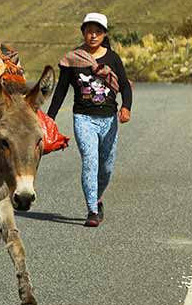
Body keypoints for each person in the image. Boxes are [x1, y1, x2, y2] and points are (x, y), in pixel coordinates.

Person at [46, 12, 131, 228]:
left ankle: (98, 197)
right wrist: (50, 118)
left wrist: (126, 107)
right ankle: (92, 210)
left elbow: (125, 85)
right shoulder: (72, 59)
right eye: (89, 31)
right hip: (83, 118)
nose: (92, 35)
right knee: (90, 162)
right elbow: (61, 90)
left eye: (97, 32)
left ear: (104, 34)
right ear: (83, 32)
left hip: (109, 119)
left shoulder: (112, 58)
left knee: (106, 167)